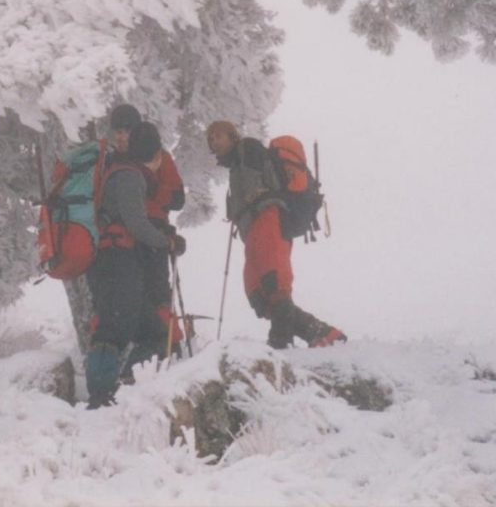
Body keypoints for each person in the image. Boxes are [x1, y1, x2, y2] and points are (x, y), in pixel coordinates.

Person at [206, 120, 345, 350]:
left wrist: (248, 204)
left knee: (274, 282)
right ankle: (324, 333)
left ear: (232, 136)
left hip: (267, 217)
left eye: (218, 136)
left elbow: (259, 183)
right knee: (258, 295)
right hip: (253, 229)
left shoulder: (247, 148)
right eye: (210, 139)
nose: (214, 141)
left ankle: (280, 346)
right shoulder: (235, 165)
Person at [85, 121, 186, 408]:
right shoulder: (129, 176)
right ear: (152, 155)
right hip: (116, 261)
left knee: (153, 332)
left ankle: (127, 387)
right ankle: (100, 397)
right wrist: (165, 241)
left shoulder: (127, 174)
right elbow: (136, 223)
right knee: (112, 329)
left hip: (118, 261)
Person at [108, 104, 186, 344]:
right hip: (122, 234)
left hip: (152, 231)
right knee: (136, 294)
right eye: (117, 131)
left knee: (156, 290)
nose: (121, 136)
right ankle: (151, 345)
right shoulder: (111, 159)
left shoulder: (158, 155)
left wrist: (152, 189)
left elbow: (177, 198)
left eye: (126, 130)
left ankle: (166, 343)